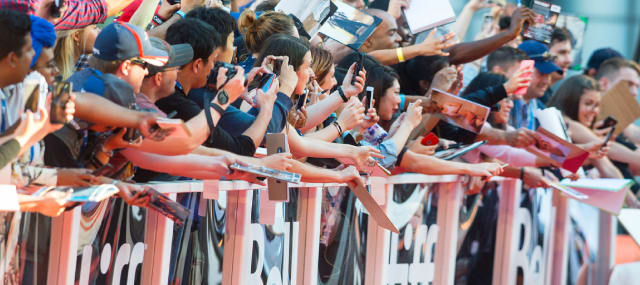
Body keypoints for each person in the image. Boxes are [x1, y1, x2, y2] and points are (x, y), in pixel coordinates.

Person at [509, 40, 562, 130]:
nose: (547, 81)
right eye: (541, 73)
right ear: (521, 68)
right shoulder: (503, 105)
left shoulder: (541, 109)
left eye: (549, 75)